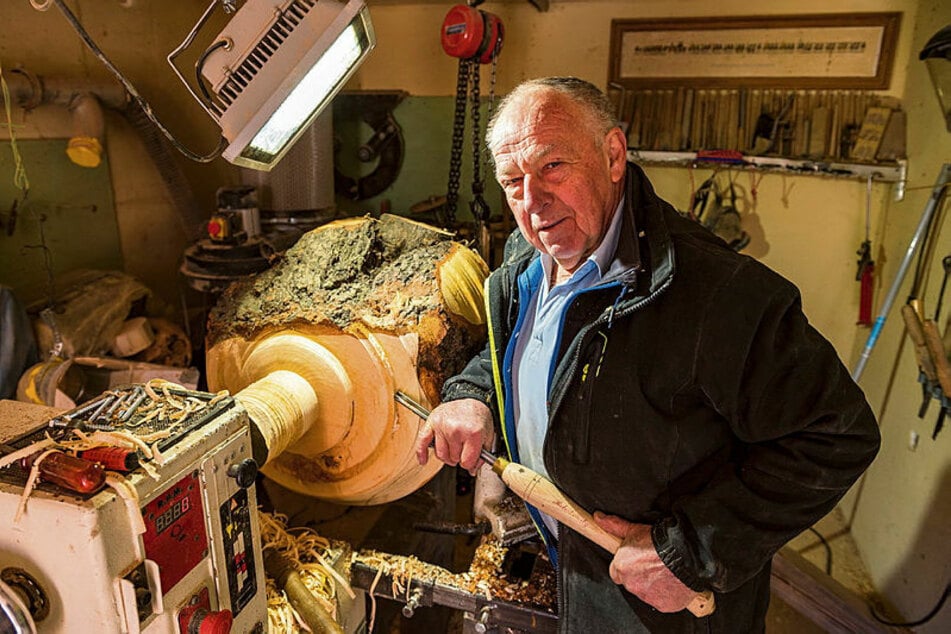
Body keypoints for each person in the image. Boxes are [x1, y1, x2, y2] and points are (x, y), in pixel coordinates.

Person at [414, 77, 880, 632]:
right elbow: (519, 349)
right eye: (513, 181)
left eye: (552, 167)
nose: (533, 202)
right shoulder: (526, 258)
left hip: (665, 605)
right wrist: (473, 395)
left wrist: (688, 553)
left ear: (613, 155)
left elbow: (837, 434)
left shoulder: (719, 295)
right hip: (567, 565)